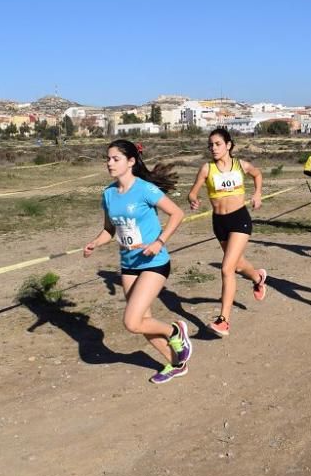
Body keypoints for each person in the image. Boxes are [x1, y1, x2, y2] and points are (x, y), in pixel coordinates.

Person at [83, 140, 190, 383]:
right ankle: (176, 363)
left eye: (115, 159)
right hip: (129, 265)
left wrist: (159, 242)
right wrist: (95, 243)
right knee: (142, 321)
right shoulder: (108, 194)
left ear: (130, 162)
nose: (109, 163)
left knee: (131, 322)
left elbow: (177, 213)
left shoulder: (145, 189)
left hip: (154, 262)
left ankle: (175, 331)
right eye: (108, 158)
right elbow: (109, 230)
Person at [187, 128, 268, 337]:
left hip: (239, 219)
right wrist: (193, 199)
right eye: (211, 145)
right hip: (219, 222)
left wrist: (257, 193)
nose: (213, 148)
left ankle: (223, 320)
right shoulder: (207, 168)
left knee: (226, 269)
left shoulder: (240, 165)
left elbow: (257, 173)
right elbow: (193, 191)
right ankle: (258, 278)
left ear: (228, 145)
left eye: (217, 144)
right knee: (238, 264)